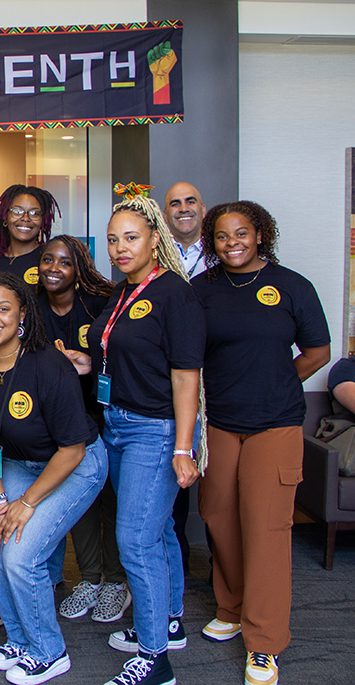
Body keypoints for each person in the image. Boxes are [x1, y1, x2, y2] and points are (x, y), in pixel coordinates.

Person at [193, 201, 329, 685]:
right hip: (219, 425)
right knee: (218, 516)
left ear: (260, 235)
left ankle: (266, 641)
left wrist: (278, 381)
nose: (233, 243)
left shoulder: (292, 286)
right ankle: (231, 606)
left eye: (242, 233)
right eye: (223, 236)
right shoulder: (202, 290)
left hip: (275, 424)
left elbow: (318, 352)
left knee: (267, 530)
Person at [0, 271, 106, 685]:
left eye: (3, 308)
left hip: (75, 465)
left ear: (22, 314)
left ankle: (50, 652)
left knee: (22, 555)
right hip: (17, 463)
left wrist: (25, 503)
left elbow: (72, 450)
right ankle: (21, 639)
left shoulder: (47, 365)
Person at [79, 184, 205, 685]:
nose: (120, 248)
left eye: (131, 237)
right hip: (117, 422)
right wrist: (85, 360)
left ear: (155, 238)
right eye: (112, 241)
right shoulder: (125, 291)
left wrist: (183, 445)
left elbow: (185, 374)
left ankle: (155, 659)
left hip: (154, 431)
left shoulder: (174, 293)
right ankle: (168, 621)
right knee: (158, 532)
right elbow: (123, 355)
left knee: (134, 540)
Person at [36, 236, 130, 625]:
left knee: (113, 499)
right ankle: (91, 578)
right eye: (47, 260)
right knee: (82, 501)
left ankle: (117, 581)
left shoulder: (102, 303)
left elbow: (125, 352)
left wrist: (89, 359)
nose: (54, 268)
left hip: (105, 413)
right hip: (59, 421)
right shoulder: (31, 307)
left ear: (79, 270)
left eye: (64, 262)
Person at [163, 181, 208, 575]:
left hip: (216, 387)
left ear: (202, 208)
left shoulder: (221, 255)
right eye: (174, 203)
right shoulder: (157, 259)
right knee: (172, 495)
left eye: (190, 200)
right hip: (174, 383)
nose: (183, 208)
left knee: (218, 496)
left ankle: (222, 577)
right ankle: (174, 571)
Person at [0, 185, 61, 286]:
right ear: (5, 217)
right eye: (17, 211)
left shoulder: (49, 263)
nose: (25, 218)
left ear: (43, 221)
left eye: (34, 213)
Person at [163, 181, 207, 279]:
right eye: (175, 204)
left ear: (203, 210)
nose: (183, 209)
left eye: (190, 202)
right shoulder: (156, 253)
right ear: (165, 215)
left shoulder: (218, 250)